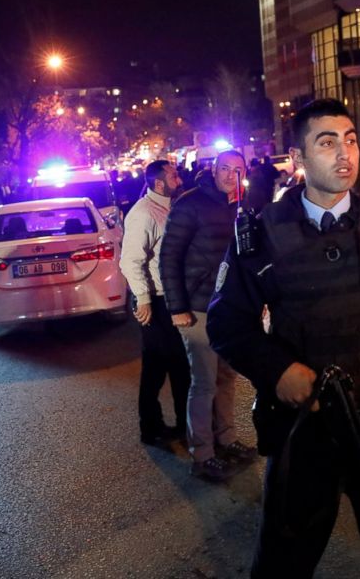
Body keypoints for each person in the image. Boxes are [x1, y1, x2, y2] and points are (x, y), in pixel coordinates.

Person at [206, 99, 360, 578]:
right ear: (297, 160)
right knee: (283, 559)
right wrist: (278, 371)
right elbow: (226, 322)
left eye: (351, 140)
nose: (345, 154)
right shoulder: (262, 234)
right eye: (327, 142)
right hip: (304, 430)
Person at [159, 150, 257, 481]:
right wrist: (177, 308)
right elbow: (169, 258)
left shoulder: (241, 205)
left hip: (231, 309)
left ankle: (226, 439)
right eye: (225, 169)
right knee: (203, 383)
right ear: (213, 170)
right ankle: (202, 454)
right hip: (198, 307)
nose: (231, 175)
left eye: (237, 170)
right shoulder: (190, 204)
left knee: (227, 378)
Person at [119, 161, 191, 450]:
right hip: (156, 301)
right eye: (173, 174)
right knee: (159, 368)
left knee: (177, 366)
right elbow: (130, 261)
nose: (179, 177)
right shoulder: (143, 214)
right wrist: (144, 299)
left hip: (171, 297)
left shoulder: (170, 206)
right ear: (159, 183)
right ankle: (151, 428)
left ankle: (184, 426)